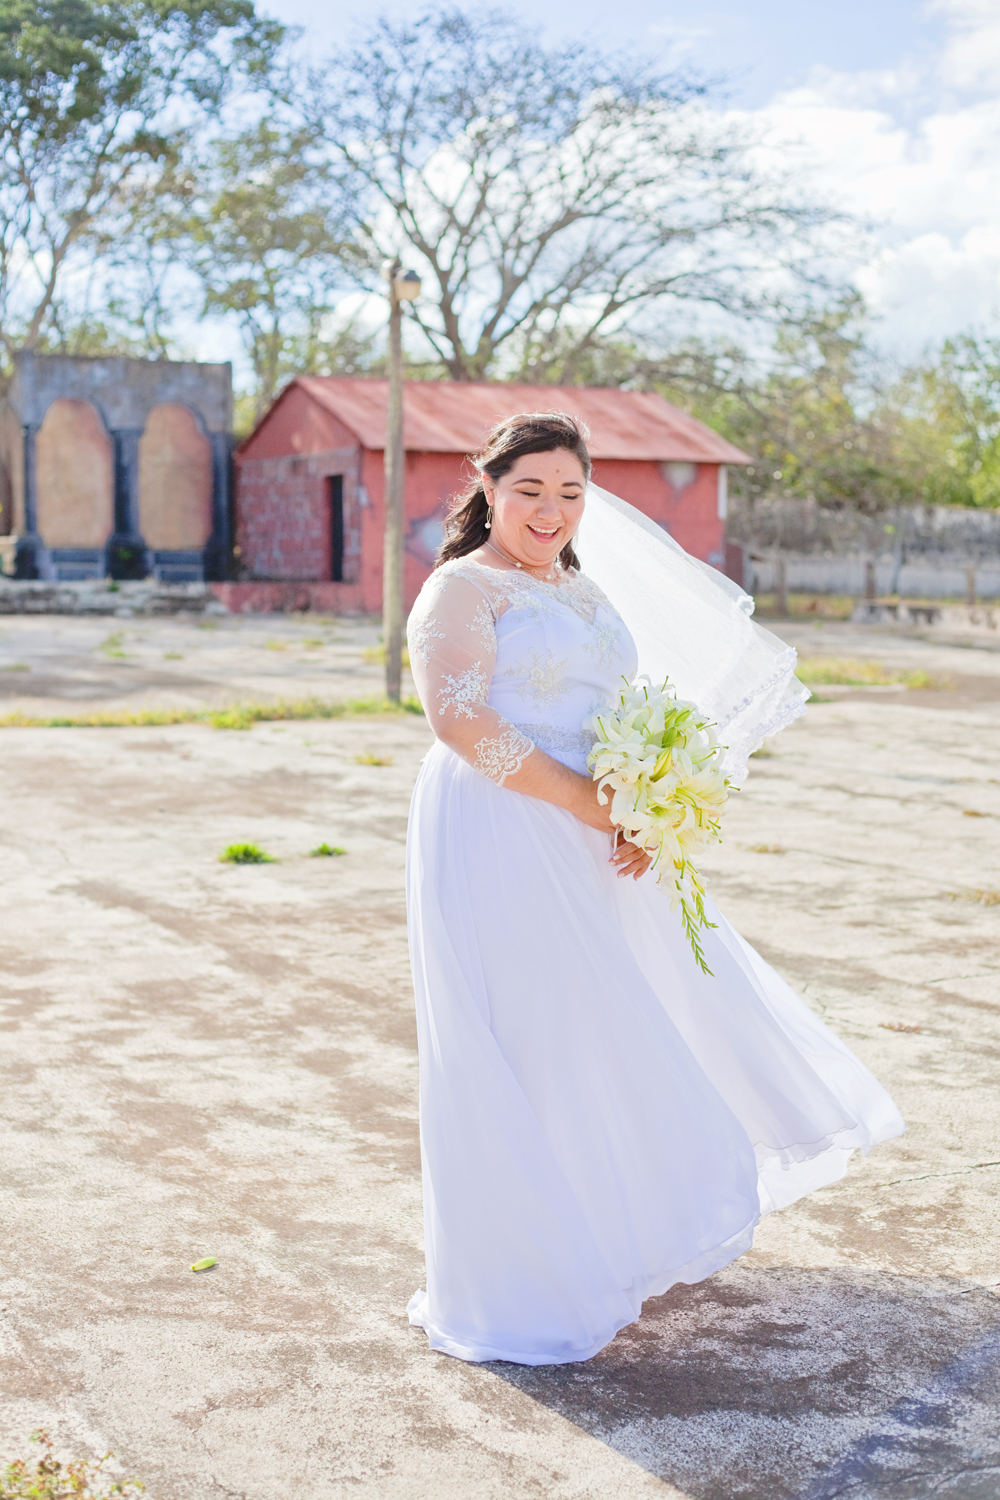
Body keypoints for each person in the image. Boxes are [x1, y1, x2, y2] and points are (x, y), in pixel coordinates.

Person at [404, 410, 903, 1366]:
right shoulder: (461, 589)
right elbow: (460, 722)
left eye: (570, 492)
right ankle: (519, 1277)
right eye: (529, 490)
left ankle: (606, 1237)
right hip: (500, 825)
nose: (550, 510)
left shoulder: (581, 586)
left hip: (597, 829)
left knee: (606, 1026)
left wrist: (646, 801)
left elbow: (613, 707)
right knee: (528, 1033)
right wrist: (593, 805)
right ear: (489, 488)